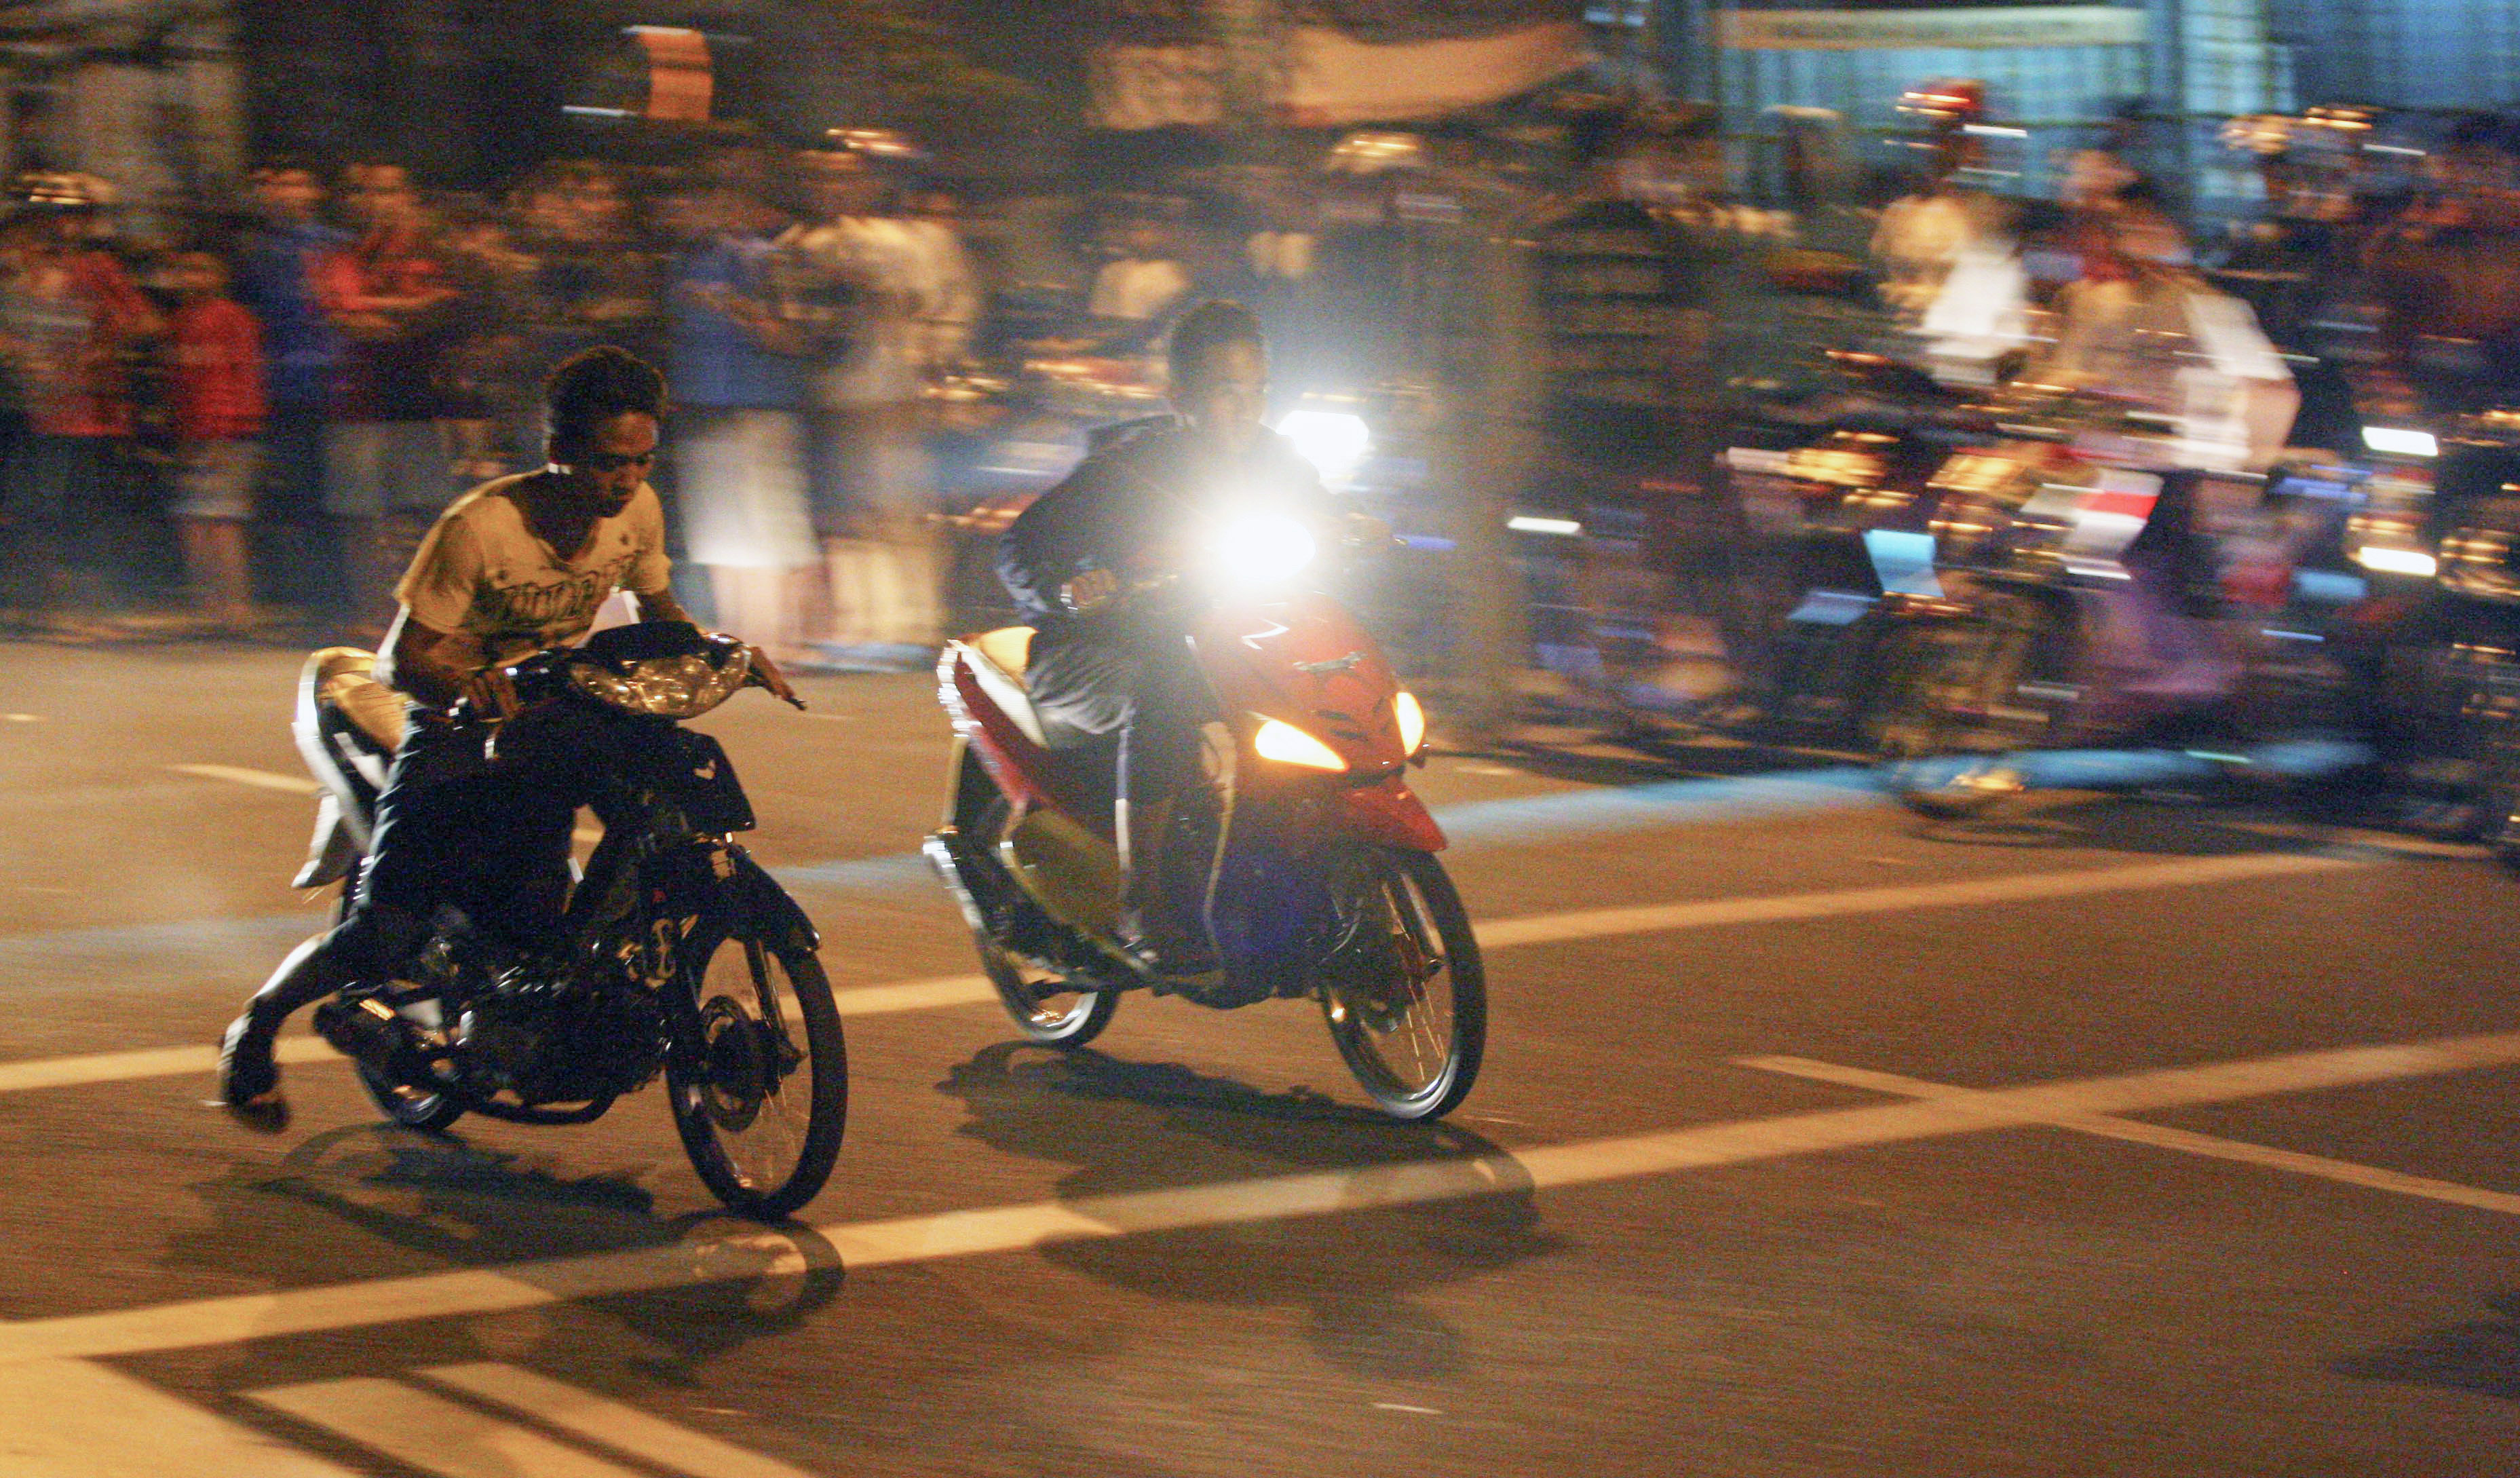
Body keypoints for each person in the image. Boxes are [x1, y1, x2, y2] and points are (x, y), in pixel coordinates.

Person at [215, 347, 798, 1131]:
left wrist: (722, 650)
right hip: (456, 728)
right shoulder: (480, 528)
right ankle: (255, 1025)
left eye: (642, 461)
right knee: (388, 932)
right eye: (607, 463)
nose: (626, 480)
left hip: (556, 712)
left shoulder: (638, 512)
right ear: (558, 454)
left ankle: (578, 982)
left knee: (643, 821)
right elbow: (402, 657)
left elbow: (659, 610)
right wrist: (462, 686)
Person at [997, 300, 1332, 973]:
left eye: (1259, 389)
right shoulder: (1128, 467)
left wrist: (1354, 528)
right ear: (1179, 395)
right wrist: (1068, 589)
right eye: (1227, 391)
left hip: (1209, 648)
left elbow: (1320, 512)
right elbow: (1020, 546)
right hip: (1092, 653)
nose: (1248, 408)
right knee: (1165, 696)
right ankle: (1140, 905)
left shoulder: (1276, 458)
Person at [316, 160, 459, 637]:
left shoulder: (432, 253)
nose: (376, 201)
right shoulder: (337, 254)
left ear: (409, 198)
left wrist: (377, 314)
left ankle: (423, 613)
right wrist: (402, 312)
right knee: (361, 516)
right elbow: (343, 315)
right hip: (355, 402)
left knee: (424, 513)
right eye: (365, 192)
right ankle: (374, 616)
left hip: (418, 400)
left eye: (388, 191)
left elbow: (439, 311)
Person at [163, 250, 268, 632]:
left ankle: (236, 608)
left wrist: (237, 425)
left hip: (229, 432)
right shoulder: (180, 321)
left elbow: (246, 374)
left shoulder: (233, 317)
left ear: (219, 274)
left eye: (200, 269)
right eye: (184, 269)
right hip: (192, 434)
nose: (191, 277)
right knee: (192, 520)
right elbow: (179, 382)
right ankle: (207, 605)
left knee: (222, 520)